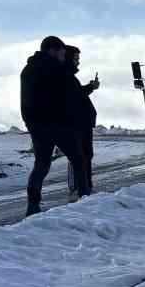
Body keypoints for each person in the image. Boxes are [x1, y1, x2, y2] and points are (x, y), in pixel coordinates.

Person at [19, 35, 89, 216]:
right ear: (52, 50)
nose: (64, 55)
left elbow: (26, 103)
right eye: (62, 52)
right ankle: (85, 197)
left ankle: (32, 206)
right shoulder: (57, 69)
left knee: (41, 166)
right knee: (78, 160)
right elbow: (72, 95)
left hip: (38, 127)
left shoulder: (28, 69)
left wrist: (31, 125)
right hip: (60, 126)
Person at [62, 45, 99, 201]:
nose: (78, 62)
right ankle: (80, 188)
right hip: (76, 124)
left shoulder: (68, 75)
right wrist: (91, 87)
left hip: (82, 123)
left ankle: (86, 186)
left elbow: (77, 94)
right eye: (76, 59)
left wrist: (90, 87)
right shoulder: (64, 74)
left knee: (85, 155)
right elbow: (74, 96)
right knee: (79, 156)